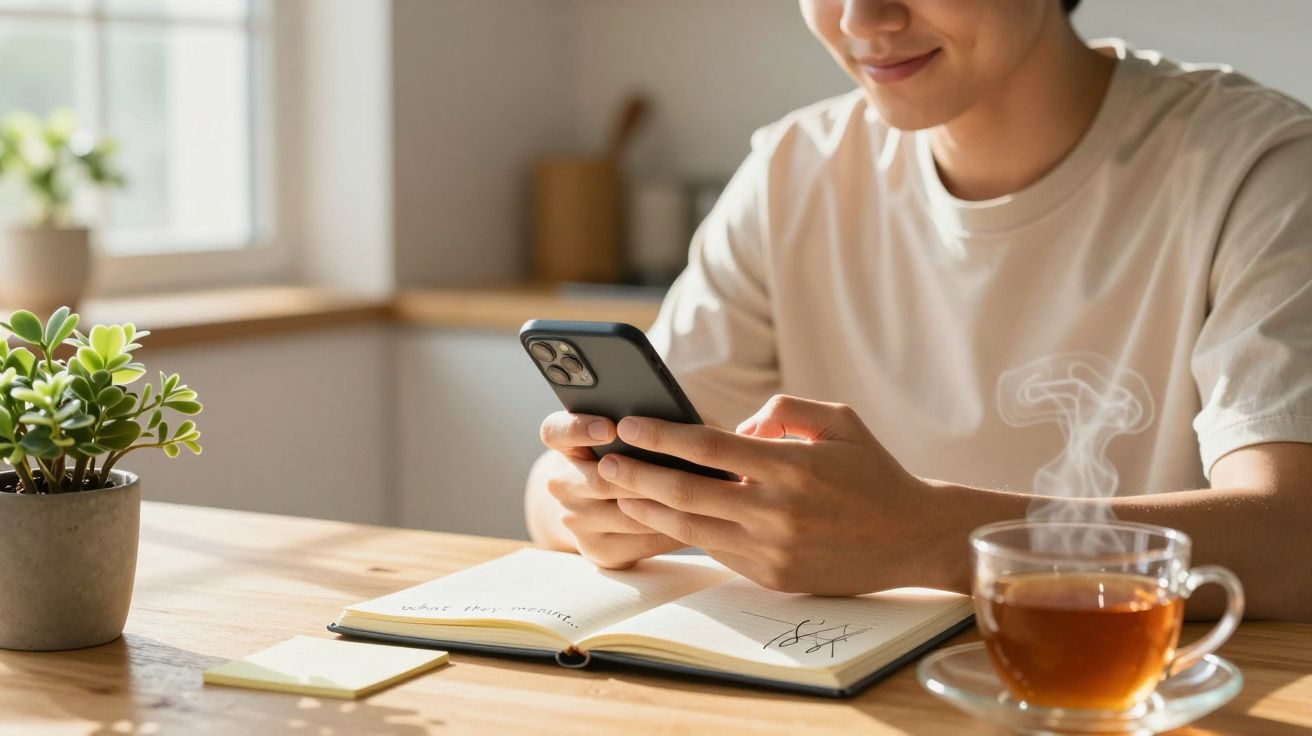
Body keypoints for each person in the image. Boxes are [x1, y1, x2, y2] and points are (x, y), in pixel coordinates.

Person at [524, 0, 1312, 621]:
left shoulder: (1259, 169)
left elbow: (1295, 535)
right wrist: (599, 506)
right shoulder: (792, 173)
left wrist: (932, 539)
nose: (862, 20)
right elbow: (550, 496)